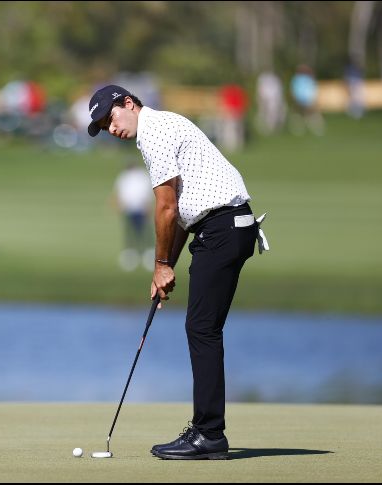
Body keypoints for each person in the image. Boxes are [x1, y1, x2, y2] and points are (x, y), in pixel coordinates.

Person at [87, 85, 268, 460]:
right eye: (103, 126)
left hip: (223, 228)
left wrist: (161, 265)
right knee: (203, 327)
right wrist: (166, 267)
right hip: (224, 227)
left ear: (129, 103)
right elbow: (186, 213)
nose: (110, 128)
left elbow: (167, 208)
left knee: (201, 328)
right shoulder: (161, 128)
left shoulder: (156, 131)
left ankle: (208, 434)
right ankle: (207, 431)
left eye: (111, 117)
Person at [112, 162, 154, 272]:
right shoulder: (124, 176)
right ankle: (131, 256)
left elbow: (146, 192)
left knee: (145, 235)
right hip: (129, 210)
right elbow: (120, 193)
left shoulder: (141, 176)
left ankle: (148, 255)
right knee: (130, 234)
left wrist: (147, 206)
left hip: (141, 209)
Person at [289, 64, 324, 136]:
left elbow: (312, 89)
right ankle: (298, 128)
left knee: (311, 114)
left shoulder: (308, 79)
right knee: (300, 114)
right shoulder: (298, 79)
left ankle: (316, 128)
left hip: (307, 99)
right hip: (302, 99)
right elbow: (295, 90)